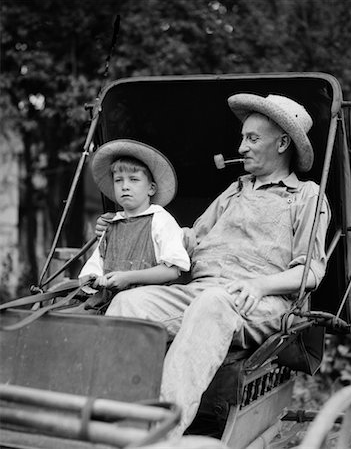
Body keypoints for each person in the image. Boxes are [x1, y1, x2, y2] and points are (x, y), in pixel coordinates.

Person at [96, 94, 331, 436]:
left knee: (213, 304)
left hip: (256, 300)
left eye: (253, 139)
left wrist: (259, 285)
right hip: (200, 290)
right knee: (129, 303)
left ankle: (159, 434)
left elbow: (311, 271)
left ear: (282, 143)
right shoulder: (234, 191)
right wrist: (125, 224)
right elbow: (186, 240)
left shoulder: (306, 195)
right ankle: (110, 424)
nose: (243, 147)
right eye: (242, 138)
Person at [68, 139, 190, 313]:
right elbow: (96, 263)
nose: (125, 186)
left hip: (148, 304)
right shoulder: (111, 224)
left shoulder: (160, 220)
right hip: (107, 302)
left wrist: (128, 277)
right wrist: (95, 278)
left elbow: (173, 271)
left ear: (151, 188)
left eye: (134, 180)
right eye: (119, 180)